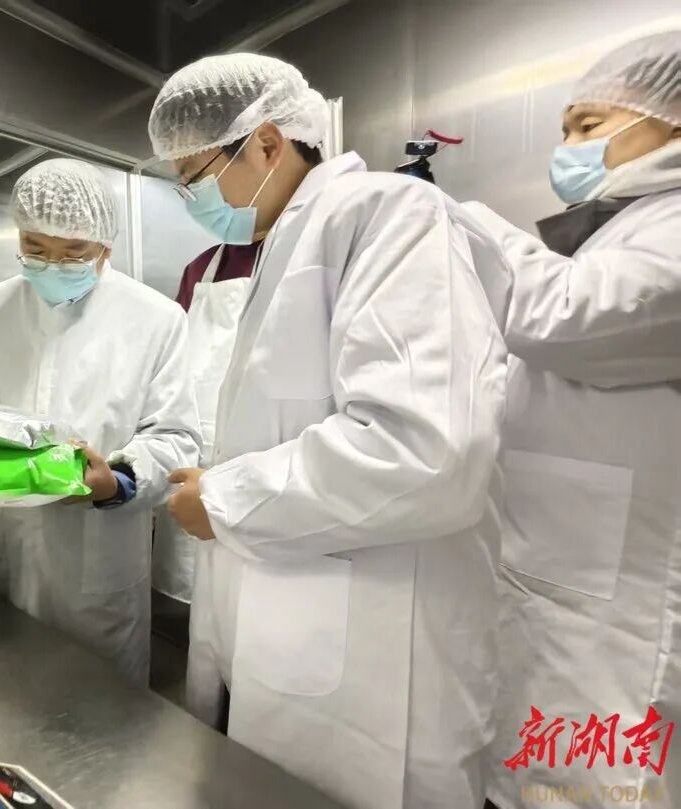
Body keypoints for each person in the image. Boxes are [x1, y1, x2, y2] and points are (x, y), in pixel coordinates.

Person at [149, 53, 513, 809]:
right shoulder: (286, 244)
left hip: (380, 667)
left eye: (195, 177)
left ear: (267, 143)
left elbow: (426, 452)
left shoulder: (386, 214)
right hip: (292, 633)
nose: (193, 200)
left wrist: (225, 499)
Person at [462, 31, 681, 809]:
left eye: (589, 125)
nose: (569, 148)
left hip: (623, 595)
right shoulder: (626, 225)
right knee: (538, 762)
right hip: (566, 563)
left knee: (599, 781)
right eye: (563, 129)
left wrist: (453, 219)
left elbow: (566, 316)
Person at [0, 158, 201, 686]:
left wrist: (116, 481)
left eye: (74, 253)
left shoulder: (155, 318)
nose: (53, 265)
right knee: (5, 692)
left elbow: (176, 436)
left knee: (104, 704)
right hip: (5, 549)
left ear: (106, 246)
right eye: (34, 248)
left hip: (98, 556)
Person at [151, 220, 271, 603]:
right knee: (190, 598)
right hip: (191, 456)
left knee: (249, 596)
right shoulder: (201, 268)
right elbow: (171, 365)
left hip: (258, 458)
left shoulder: (293, 260)